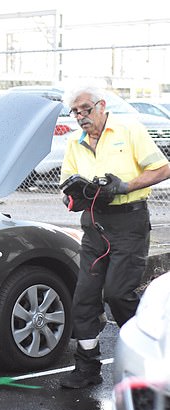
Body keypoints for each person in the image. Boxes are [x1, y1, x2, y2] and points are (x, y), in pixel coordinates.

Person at [58, 86, 170, 389]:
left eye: (86, 109)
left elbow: (162, 169)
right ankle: (87, 367)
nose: (81, 116)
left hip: (129, 222)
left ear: (101, 106)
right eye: (76, 112)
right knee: (84, 298)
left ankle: (150, 355)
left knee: (118, 294)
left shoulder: (128, 130)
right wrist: (78, 196)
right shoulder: (74, 143)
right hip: (95, 226)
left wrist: (123, 187)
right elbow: (66, 189)